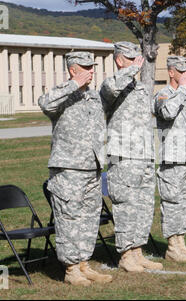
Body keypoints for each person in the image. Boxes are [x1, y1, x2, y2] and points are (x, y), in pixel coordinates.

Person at [38, 51, 113, 286]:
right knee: (69, 217)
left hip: (93, 167)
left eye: (93, 66)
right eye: (86, 67)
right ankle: (71, 270)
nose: (92, 70)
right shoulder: (62, 94)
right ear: (73, 69)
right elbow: (44, 103)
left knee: (89, 217)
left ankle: (83, 264)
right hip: (68, 168)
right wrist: (73, 85)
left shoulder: (93, 97)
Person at [100, 41, 163, 273]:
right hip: (124, 155)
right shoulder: (111, 83)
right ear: (119, 60)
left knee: (144, 205)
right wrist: (130, 70)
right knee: (126, 205)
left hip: (144, 154)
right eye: (132, 58)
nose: (138, 62)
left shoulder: (141, 88)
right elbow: (112, 90)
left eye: (139, 59)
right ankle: (126, 255)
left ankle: (138, 251)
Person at [153, 56, 186, 262]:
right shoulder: (163, 95)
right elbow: (167, 113)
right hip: (173, 160)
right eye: (181, 71)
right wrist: (182, 90)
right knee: (172, 202)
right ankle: (172, 247)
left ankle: (181, 242)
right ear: (171, 72)